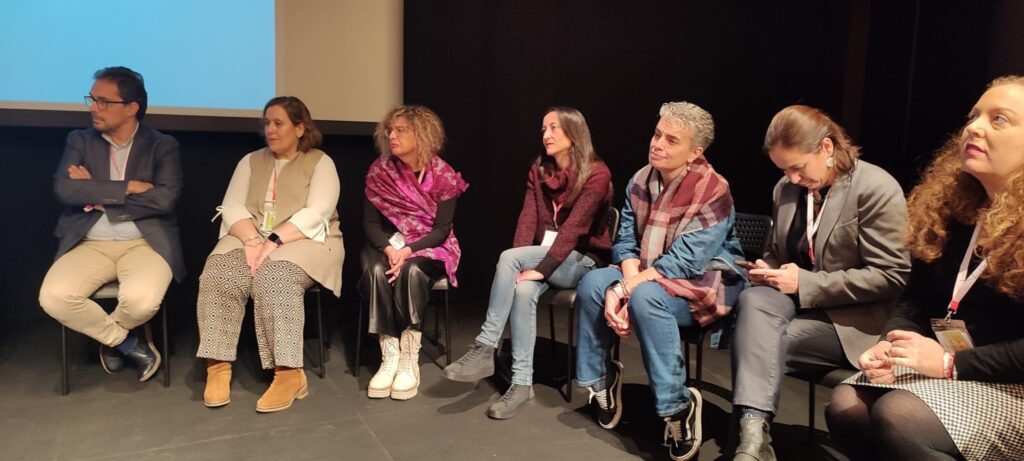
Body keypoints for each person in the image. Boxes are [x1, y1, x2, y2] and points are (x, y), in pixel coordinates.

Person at [827, 76, 1024, 461]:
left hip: (1013, 382)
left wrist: (951, 363)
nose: (974, 127)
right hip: (961, 368)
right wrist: (890, 342)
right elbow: (916, 298)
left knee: (900, 416)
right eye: (973, 116)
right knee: (848, 405)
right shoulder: (955, 210)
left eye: (999, 119)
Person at [728, 105, 911, 460]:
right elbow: (777, 252)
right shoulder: (786, 189)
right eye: (783, 169)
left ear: (827, 148)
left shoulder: (874, 187)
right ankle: (752, 443)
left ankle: (747, 442)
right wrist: (767, 269)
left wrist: (805, 283)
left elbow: (891, 276)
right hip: (793, 304)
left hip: (851, 319)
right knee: (753, 302)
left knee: (758, 341)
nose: (792, 178)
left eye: (798, 167)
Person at [575, 101, 745, 461]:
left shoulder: (714, 189)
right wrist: (626, 283)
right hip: (649, 273)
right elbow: (625, 240)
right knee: (593, 284)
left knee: (645, 297)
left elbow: (685, 261)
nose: (658, 144)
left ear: (695, 152)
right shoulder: (641, 179)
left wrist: (626, 289)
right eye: (657, 134)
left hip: (701, 281)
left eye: (671, 140)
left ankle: (677, 407)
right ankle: (601, 381)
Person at [442, 107, 613, 419]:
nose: (546, 134)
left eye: (554, 128)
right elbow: (528, 217)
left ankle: (485, 345)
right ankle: (521, 385)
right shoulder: (539, 170)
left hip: (583, 260)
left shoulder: (597, 173)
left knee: (508, 257)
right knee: (521, 290)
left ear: (574, 132)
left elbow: (574, 229)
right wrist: (524, 266)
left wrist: (537, 267)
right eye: (544, 128)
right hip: (547, 256)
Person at [195, 96, 343, 413]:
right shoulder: (250, 161)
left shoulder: (320, 162)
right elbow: (232, 206)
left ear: (300, 128)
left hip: (307, 238)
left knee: (275, 278)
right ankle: (217, 365)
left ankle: (289, 373)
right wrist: (252, 239)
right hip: (251, 234)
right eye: (267, 123)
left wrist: (273, 241)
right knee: (219, 273)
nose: (270, 130)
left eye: (278, 123)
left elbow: (318, 212)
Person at [39, 66, 184, 382]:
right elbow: (65, 190)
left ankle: (112, 337)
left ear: (131, 107)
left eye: (103, 101)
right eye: (92, 99)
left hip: (144, 243)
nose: (94, 107)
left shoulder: (162, 145)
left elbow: (164, 199)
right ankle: (127, 342)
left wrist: (96, 192)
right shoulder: (80, 140)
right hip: (90, 242)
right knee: (54, 297)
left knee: (141, 303)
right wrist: (129, 186)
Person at [359, 105, 468, 400]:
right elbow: (370, 224)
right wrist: (389, 249)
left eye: (400, 130)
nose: (392, 136)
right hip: (386, 243)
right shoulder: (380, 171)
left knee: (413, 269)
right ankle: (389, 354)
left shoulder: (443, 175)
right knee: (375, 269)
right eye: (389, 131)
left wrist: (408, 250)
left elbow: (442, 229)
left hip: (429, 246)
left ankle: (409, 358)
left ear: (421, 134)